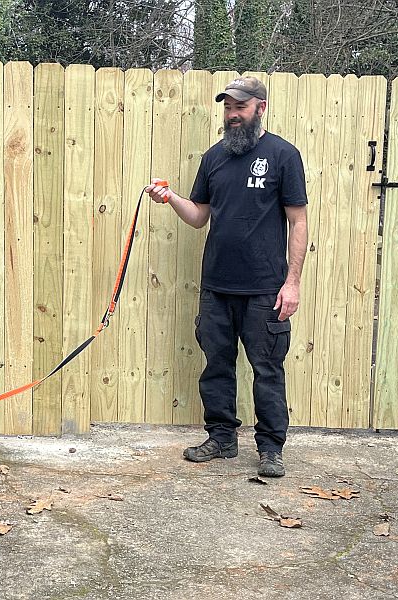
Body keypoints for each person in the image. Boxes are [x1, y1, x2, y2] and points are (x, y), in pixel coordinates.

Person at [146, 76, 308, 477]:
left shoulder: (284, 155)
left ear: (260, 107)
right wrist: (170, 199)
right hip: (217, 286)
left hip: (265, 289)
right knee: (216, 365)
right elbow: (200, 217)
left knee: (267, 369)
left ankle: (271, 448)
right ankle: (221, 438)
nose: (232, 115)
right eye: (228, 108)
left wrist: (293, 282)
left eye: (240, 107)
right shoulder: (214, 158)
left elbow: (298, 221)